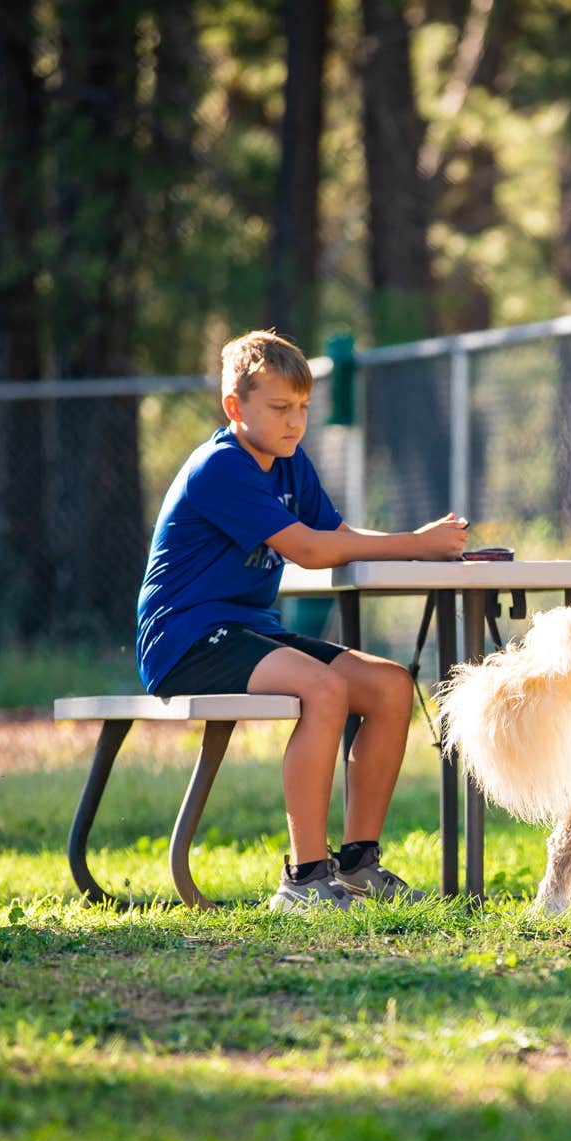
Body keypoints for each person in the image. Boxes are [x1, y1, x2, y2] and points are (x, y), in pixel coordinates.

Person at [136, 330, 469, 910]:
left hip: (249, 631)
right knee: (323, 687)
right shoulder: (221, 467)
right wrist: (413, 543)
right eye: (279, 408)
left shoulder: (289, 463)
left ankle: (359, 866)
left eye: (304, 409)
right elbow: (311, 553)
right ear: (235, 408)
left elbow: (335, 535)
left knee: (391, 687)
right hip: (185, 638)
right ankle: (304, 879)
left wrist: (416, 545)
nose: (295, 422)